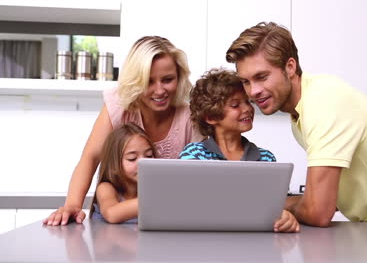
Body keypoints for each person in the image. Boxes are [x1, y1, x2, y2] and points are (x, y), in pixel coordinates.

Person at [225, 22, 367, 227]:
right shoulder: (300, 116)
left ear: (290, 67)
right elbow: (335, 197)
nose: (253, 91)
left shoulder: (324, 101)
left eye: (262, 77)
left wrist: (279, 204)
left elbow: (318, 212)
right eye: (246, 81)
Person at [44, 36, 203, 226]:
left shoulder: (190, 117)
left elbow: (200, 175)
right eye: (148, 82)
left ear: (179, 77)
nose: (159, 90)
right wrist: (72, 205)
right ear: (136, 81)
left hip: (168, 223)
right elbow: (91, 157)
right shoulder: (120, 106)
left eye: (168, 79)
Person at [179, 68, 300, 233]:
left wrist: (285, 216)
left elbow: (275, 208)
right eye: (235, 105)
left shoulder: (266, 158)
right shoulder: (193, 155)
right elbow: (189, 206)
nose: (248, 109)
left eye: (248, 101)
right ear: (211, 117)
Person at [89, 123, 154, 224]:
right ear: (114, 165)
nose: (143, 163)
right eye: (132, 159)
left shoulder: (152, 189)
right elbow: (111, 214)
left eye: (149, 156)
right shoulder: (106, 188)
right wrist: (157, 202)